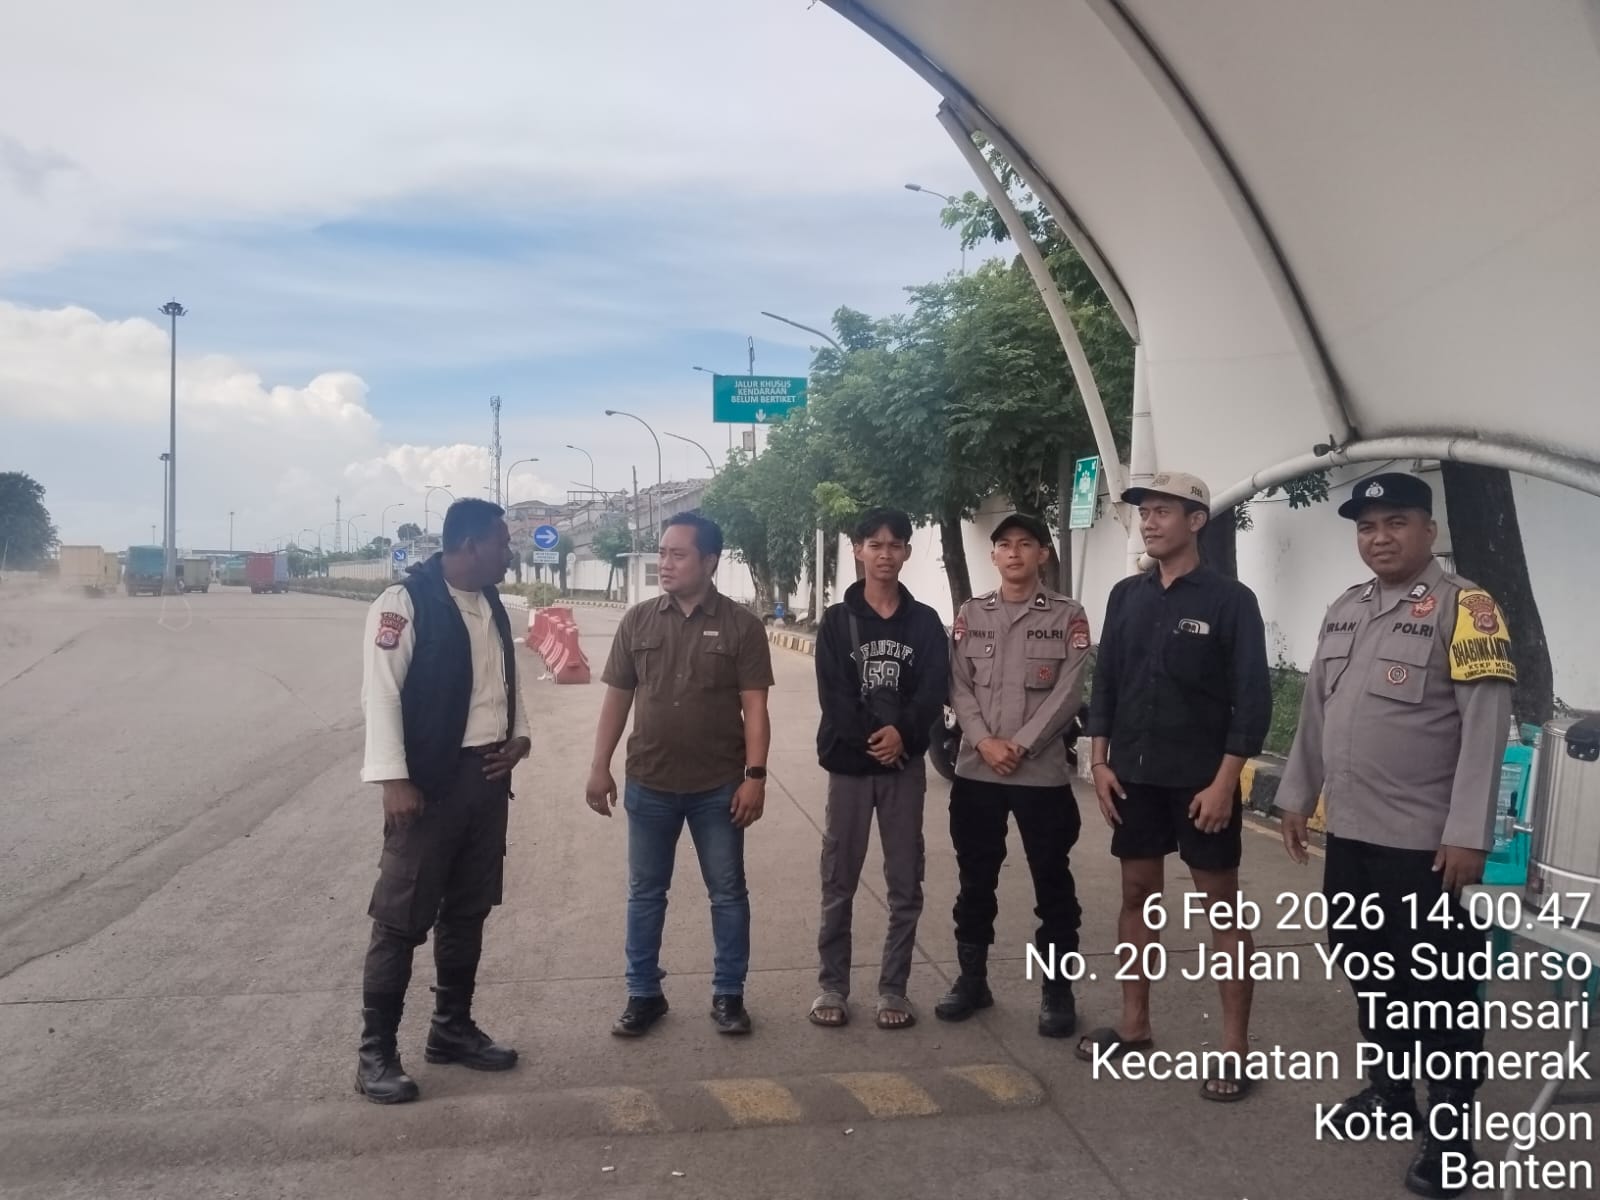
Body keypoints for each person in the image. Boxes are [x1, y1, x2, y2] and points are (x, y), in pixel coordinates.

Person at [1277, 472, 1514, 1198]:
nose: (1379, 538)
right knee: (1369, 969)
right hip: (1352, 835)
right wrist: (1297, 796)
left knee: (1439, 990)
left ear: (1429, 531)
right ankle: (1389, 1091)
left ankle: (1450, 1137)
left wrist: (1468, 834)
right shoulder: (1346, 608)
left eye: (1396, 522)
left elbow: (1486, 728)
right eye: (1367, 526)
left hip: (1426, 846)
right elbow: (1317, 712)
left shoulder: (1468, 609)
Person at [1079, 471, 1271, 1101]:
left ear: (1196, 521)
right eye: (1145, 512)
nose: (1150, 521)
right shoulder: (1126, 596)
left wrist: (1224, 783)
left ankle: (1234, 1050)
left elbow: (1252, 699)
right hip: (1132, 777)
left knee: (1222, 908)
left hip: (1201, 783)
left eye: (1164, 511)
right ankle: (1135, 1025)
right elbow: (1107, 681)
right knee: (1137, 895)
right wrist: (1100, 762)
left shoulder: (1230, 600)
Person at [355, 498, 531, 1105]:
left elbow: (502, 682)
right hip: (427, 784)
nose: (509, 552)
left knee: (468, 911)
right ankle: (375, 1054)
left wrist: (519, 737)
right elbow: (381, 694)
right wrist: (393, 780)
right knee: (400, 920)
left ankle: (451, 1029)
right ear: (470, 545)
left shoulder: (492, 604)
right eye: (502, 542)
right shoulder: (405, 603)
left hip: (485, 779)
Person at [586, 513, 774, 1037]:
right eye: (662, 553)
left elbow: (755, 709)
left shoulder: (742, 626)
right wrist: (599, 766)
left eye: (677, 554)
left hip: (719, 786)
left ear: (709, 561)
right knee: (645, 894)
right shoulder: (638, 621)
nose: (664, 564)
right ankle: (643, 994)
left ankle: (729, 994)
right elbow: (617, 700)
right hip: (649, 782)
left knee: (728, 893)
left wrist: (755, 776)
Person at [938, 512, 1093, 1038]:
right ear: (993, 555)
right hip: (977, 772)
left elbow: (1068, 692)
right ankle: (972, 981)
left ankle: (1058, 990)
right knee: (974, 881)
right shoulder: (971, 613)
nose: (1014, 553)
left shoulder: (1068, 615)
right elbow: (958, 684)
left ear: (1042, 554)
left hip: (1040, 776)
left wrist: (1021, 744)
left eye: (1026, 544)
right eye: (1004, 545)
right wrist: (984, 741)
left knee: (1053, 885)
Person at [810, 508, 949, 1030]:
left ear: (907, 552)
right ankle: (832, 985)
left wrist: (903, 736)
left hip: (903, 770)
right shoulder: (836, 621)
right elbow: (834, 696)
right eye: (875, 544)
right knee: (839, 878)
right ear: (858, 550)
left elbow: (933, 689)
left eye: (894, 545)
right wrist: (875, 738)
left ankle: (894, 988)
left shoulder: (924, 622)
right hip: (849, 768)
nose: (884, 554)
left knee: (905, 880)